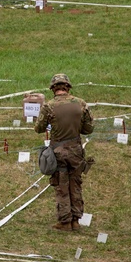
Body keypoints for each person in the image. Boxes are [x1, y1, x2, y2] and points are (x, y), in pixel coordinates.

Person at [34, 73, 94, 231]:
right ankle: (76, 220)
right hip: (76, 151)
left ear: (53, 89)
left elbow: (38, 128)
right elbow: (88, 129)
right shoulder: (81, 104)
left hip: (58, 152)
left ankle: (65, 221)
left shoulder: (49, 106)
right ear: (68, 87)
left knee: (61, 185)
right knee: (75, 184)